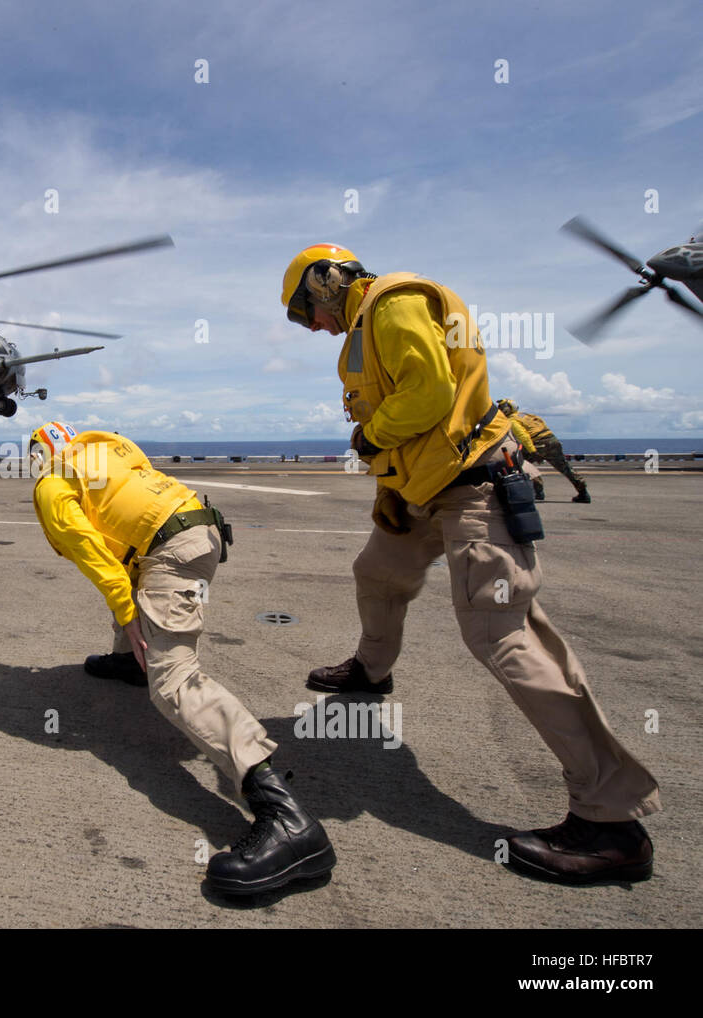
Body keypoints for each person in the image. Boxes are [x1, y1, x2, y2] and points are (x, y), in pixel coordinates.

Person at [280, 244, 660, 884]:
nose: (311, 328)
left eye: (302, 313)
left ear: (324, 282)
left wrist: (369, 439)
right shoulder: (366, 331)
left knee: (502, 635)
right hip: (425, 491)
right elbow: (411, 422)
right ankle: (371, 673)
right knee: (377, 571)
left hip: (473, 487)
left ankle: (611, 821)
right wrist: (390, 492)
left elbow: (427, 398)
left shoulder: (391, 303)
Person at [27, 421, 335, 895]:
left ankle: (288, 821)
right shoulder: (109, 449)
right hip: (200, 526)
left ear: (37, 456)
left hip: (171, 552)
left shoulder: (52, 482)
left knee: (172, 682)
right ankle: (130, 660)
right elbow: (125, 528)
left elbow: (88, 549)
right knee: (131, 574)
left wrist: (127, 610)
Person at [496, 399, 591, 502]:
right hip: (552, 441)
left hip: (537, 444)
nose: (499, 410)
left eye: (501, 407)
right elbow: (541, 424)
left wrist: (532, 451)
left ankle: (538, 491)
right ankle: (583, 493)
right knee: (565, 468)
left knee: (520, 465)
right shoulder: (526, 415)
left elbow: (523, 436)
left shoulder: (512, 420)